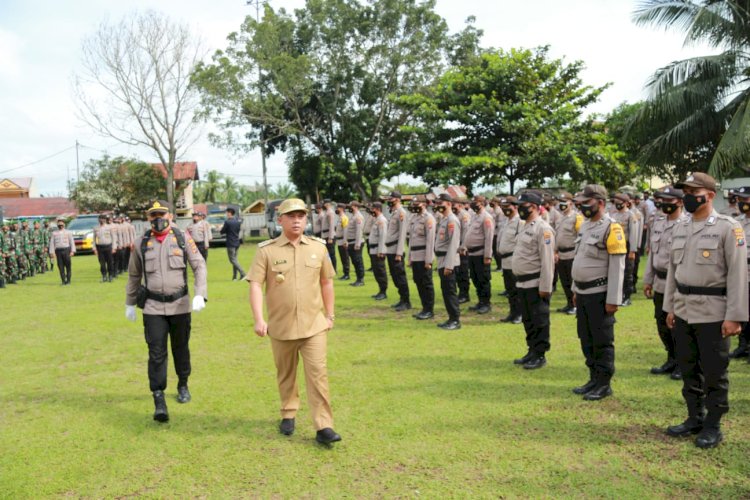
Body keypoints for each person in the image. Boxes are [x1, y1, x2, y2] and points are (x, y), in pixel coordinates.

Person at [247, 198, 341, 445]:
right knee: (286, 373)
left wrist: (329, 315)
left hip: (314, 326)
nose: (297, 220)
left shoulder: (318, 248)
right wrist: (259, 319)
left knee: (318, 374)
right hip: (281, 326)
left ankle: (324, 426)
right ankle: (288, 412)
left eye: (301, 215)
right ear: (281, 220)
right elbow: (256, 284)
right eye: (291, 216)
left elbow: (326, 282)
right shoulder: (266, 250)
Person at [664, 173, 747, 448]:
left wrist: (735, 315)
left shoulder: (728, 228)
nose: (687, 196)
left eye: (693, 191)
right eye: (685, 191)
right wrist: (671, 307)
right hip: (684, 308)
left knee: (714, 371)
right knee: (688, 368)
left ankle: (713, 425)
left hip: (714, 312)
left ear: (710, 195)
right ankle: (694, 417)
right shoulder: (681, 227)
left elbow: (738, 274)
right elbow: (674, 272)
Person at [125, 200, 208, 422]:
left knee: (180, 348)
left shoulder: (183, 238)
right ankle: (158, 396)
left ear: (170, 216)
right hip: (152, 307)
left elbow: (199, 265)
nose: (158, 219)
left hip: (179, 304)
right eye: (154, 216)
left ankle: (183, 384)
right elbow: (134, 275)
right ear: (148, 218)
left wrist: (200, 293)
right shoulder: (141, 242)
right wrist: (130, 303)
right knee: (156, 352)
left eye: (162, 214)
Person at [571, 184, 626, 401]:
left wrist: (613, 299)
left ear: (600, 203)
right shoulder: (584, 226)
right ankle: (593, 378)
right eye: (581, 203)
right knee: (586, 337)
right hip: (583, 293)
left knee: (602, 339)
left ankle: (604, 383)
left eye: (587, 202)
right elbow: (580, 258)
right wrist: (575, 289)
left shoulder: (612, 228)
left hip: (600, 293)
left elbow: (617, 267)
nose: (583, 206)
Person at [643, 186, 688, 380]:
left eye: (668, 201)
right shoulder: (659, 222)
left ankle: (682, 363)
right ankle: (671, 358)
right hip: (660, 282)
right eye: (661, 200)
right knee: (661, 323)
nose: (663, 204)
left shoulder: (686, 224)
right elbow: (653, 253)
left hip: (677, 283)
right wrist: (648, 280)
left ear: (679, 202)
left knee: (677, 325)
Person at [511, 192, 555, 370]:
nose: (520, 208)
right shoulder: (523, 226)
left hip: (535, 283)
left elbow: (547, 261)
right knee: (528, 319)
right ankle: (531, 350)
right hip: (522, 282)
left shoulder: (543, 229)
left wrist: (546, 287)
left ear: (535, 207)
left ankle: (540, 354)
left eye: (524, 205)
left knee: (539, 320)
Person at [433, 194, 461, 330]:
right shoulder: (444, 220)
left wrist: (449, 265)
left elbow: (453, 244)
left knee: (450, 292)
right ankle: (451, 318)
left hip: (448, 261)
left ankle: (455, 320)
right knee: (445, 291)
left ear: (449, 203)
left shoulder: (452, 220)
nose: (439, 205)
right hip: (441, 259)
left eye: (441, 202)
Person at [464, 196, 495, 314]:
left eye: (475, 202)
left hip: (481, 253)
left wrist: (488, 256)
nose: (472, 204)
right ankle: (480, 301)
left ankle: (486, 303)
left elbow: (489, 237)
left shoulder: (486, 218)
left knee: (483, 279)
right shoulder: (475, 216)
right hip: (472, 253)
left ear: (481, 203)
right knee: (475, 278)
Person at [729, 187, 750, 359]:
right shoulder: (737, 222)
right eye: (740, 199)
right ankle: (743, 345)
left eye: (746, 199)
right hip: (741, 271)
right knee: (742, 308)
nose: (742, 203)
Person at [407, 196, 436, 320]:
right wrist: (410, 256)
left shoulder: (428, 219)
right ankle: (424, 308)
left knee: (426, 283)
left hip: (424, 255)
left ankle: (429, 310)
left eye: (416, 203)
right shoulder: (414, 218)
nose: (414, 206)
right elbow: (411, 240)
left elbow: (430, 241)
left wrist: (428, 260)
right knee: (418, 282)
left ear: (423, 205)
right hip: (415, 255)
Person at [555, 192, 582, 314]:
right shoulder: (559, 217)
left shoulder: (577, 217)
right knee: (564, 281)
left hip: (572, 253)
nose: (562, 205)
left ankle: (576, 305)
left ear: (571, 203)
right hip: (561, 254)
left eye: (564, 202)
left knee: (572, 282)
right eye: (560, 202)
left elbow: (580, 237)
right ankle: (569, 303)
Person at [497, 196, 523, 324]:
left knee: (516, 289)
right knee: (510, 290)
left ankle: (519, 314)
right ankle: (512, 313)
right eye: (503, 207)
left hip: (514, 259)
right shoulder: (506, 221)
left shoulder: (520, 222)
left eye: (508, 206)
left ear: (515, 206)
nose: (505, 209)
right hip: (505, 260)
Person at [384, 191, 411, 311]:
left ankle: (406, 301)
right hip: (390, 249)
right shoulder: (394, 213)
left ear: (398, 199)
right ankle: (401, 299)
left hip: (396, 249)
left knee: (400, 276)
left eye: (392, 198)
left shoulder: (401, 213)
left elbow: (402, 234)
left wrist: (399, 252)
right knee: (394, 276)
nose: (390, 200)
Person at [610, 193, 638, 306]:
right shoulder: (614, 216)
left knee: (628, 272)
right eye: (615, 203)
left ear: (626, 203)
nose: (617, 205)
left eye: (619, 203)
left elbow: (633, 234)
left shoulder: (631, 215)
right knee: (617, 272)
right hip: (616, 247)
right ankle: (619, 295)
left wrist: (632, 250)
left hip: (627, 246)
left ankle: (627, 296)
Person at [368, 202, 389, 300]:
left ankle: (383, 292)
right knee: (376, 271)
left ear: (377, 209)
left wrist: (381, 251)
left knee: (380, 271)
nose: (371, 210)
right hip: (373, 249)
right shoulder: (376, 220)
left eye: (372, 208)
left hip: (378, 250)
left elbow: (383, 236)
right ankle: (380, 290)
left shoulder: (382, 220)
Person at [344, 201, 365, 287]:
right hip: (351, 242)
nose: (349, 207)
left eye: (351, 206)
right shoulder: (353, 216)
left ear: (356, 207)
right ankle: (358, 279)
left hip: (356, 242)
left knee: (358, 261)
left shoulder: (358, 217)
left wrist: (357, 244)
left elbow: (359, 231)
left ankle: (361, 280)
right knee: (355, 262)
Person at [220, 207, 245, 280]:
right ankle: (235, 277)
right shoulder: (237, 221)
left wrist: (220, 229)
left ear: (229, 213)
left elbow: (222, 231)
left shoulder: (227, 222)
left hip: (230, 243)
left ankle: (243, 273)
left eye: (227, 212)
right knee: (235, 260)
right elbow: (238, 230)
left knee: (232, 260)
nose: (226, 214)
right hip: (237, 242)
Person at [49, 218, 75, 285]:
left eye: (61, 224)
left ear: (64, 224)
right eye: (59, 224)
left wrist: (72, 251)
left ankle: (68, 281)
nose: (60, 225)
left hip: (66, 250)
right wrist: (52, 252)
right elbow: (52, 243)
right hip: (58, 251)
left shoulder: (68, 232)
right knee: (60, 267)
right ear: (57, 225)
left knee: (68, 266)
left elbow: (71, 242)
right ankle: (63, 281)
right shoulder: (54, 233)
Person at [456, 200, 472, 303]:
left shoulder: (464, 215)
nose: (453, 206)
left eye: (455, 204)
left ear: (460, 205)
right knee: (458, 271)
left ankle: (464, 294)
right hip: (456, 247)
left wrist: (463, 247)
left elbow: (466, 232)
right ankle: (461, 292)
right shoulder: (455, 215)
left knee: (463, 271)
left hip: (462, 248)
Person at [93, 214, 117, 282]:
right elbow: (94, 239)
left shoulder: (109, 228)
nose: (101, 220)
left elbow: (114, 238)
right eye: (100, 219)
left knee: (110, 262)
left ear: (105, 220)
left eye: (103, 219)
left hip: (108, 246)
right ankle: (104, 276)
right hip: (100, 247)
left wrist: (114, 248)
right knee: (102, 263)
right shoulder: (96, 228)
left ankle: (110, 276)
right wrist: (94, 248)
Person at [334, 203, 350, 280]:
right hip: (339, 240)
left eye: (338, 208)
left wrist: (345, 241)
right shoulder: (340, 218)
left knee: (345, 258)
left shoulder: (344, 218)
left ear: (341, 209)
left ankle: (347, 274)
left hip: (343, 240)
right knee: (342, 258)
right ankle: (345, 273)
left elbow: (345, 230)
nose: (336, 209)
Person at [321, 200, 337, 271]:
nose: (324, 205)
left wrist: (330, 237)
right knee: (327, 253)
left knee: (331, 253)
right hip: (325, 235)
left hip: (329, 235)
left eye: (325, 204)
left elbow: (331, 225)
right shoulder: (327, 212)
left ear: (328, 204)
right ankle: (329, 268)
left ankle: (333, 269)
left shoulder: (330, 212)